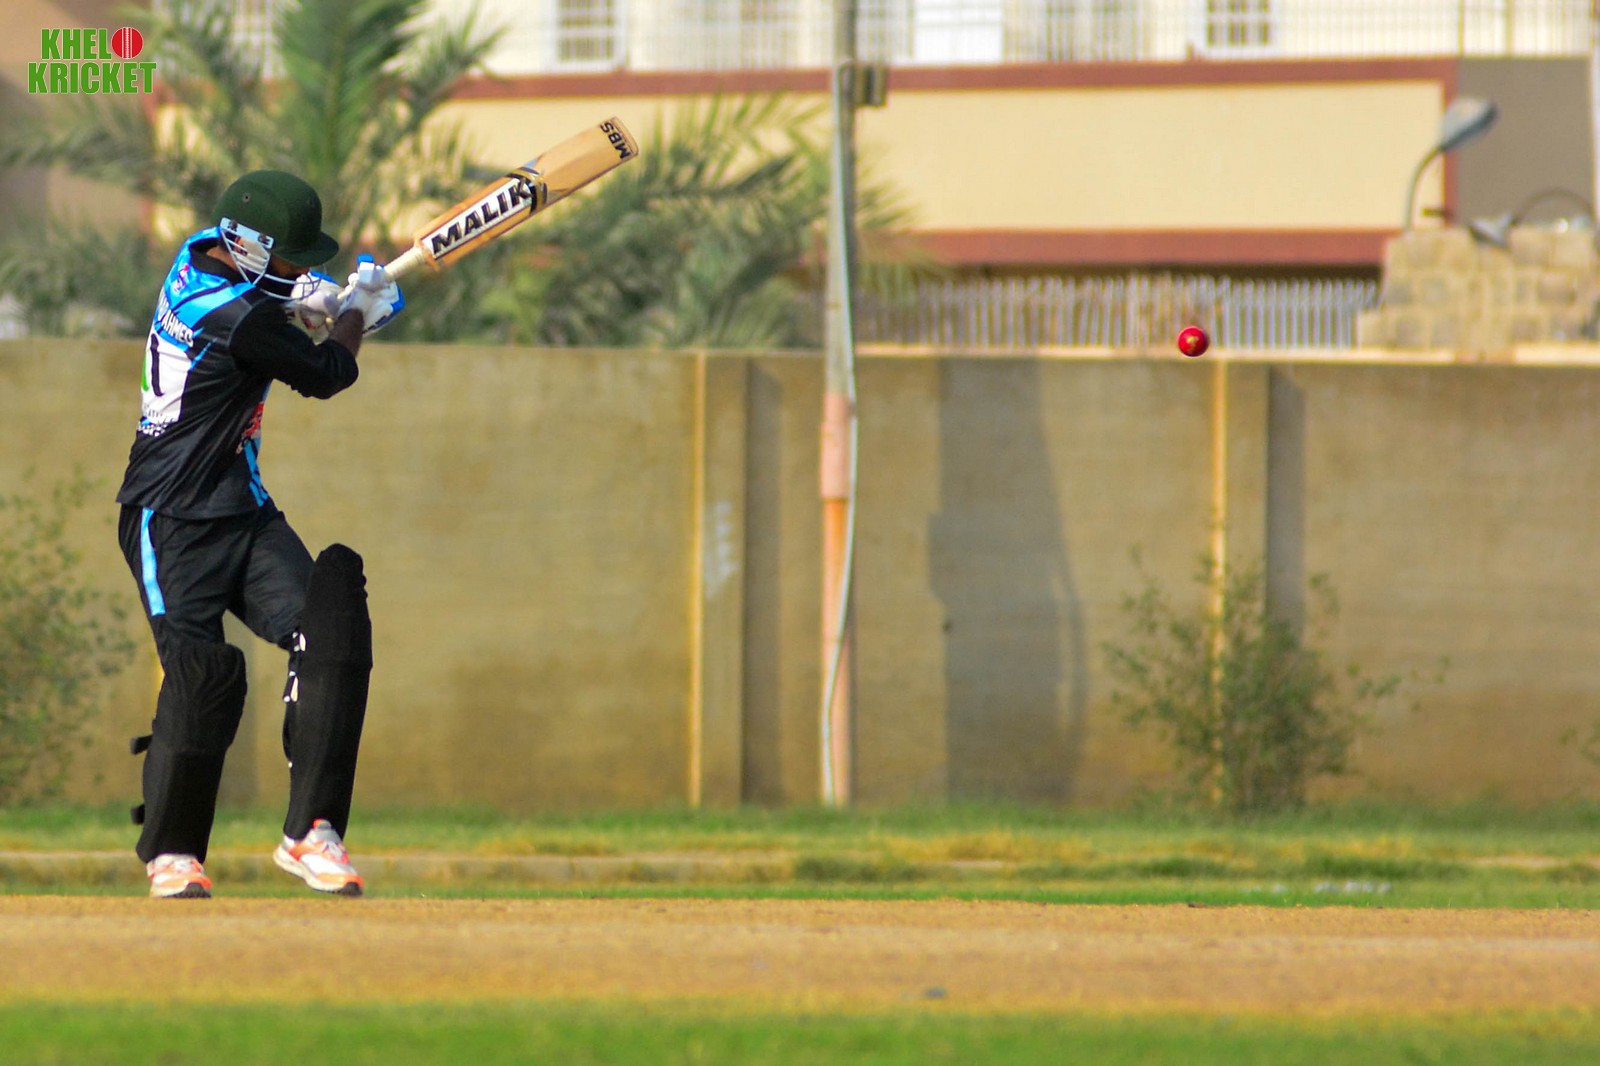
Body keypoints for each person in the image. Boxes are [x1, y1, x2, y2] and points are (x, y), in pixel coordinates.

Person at [115, 170, 401, 899]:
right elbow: (328, 374)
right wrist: (354, 313)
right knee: (204, 675)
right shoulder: (226, 312)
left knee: (330, 625)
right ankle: (173, 854)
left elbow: (270, 301)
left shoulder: (205, 253)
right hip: (167, 517)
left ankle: (312, 831)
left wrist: (311, 298)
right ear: (247, 247)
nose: (301, 267)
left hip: (243, 511)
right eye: (292, 257)